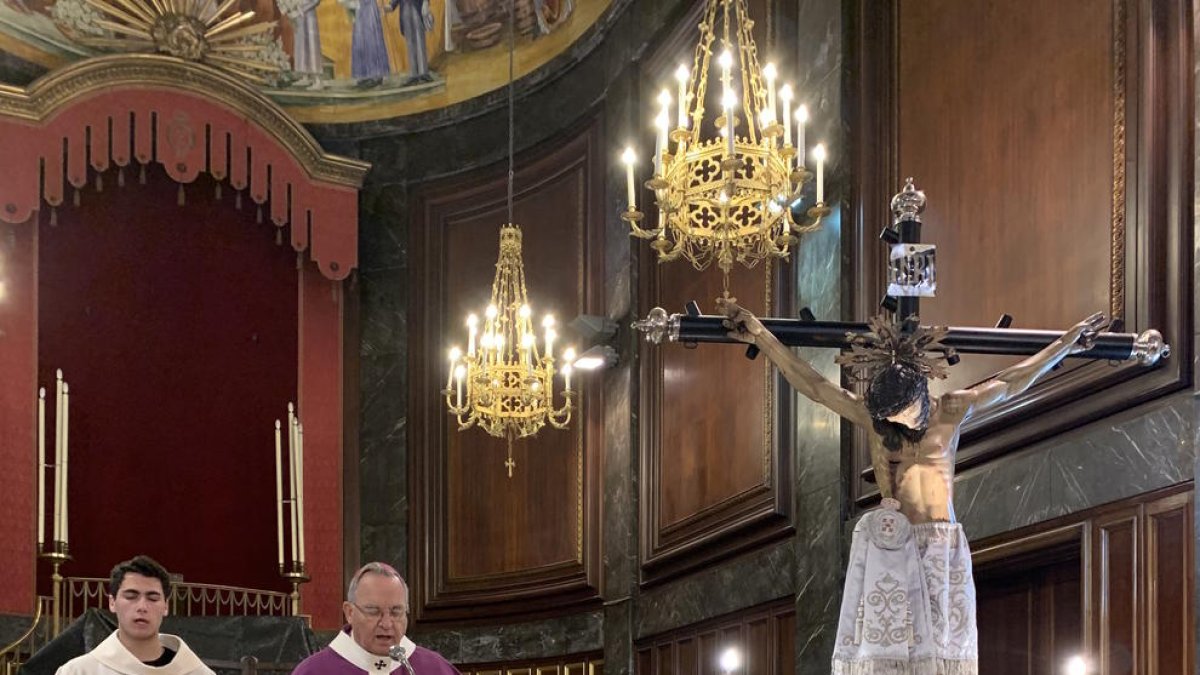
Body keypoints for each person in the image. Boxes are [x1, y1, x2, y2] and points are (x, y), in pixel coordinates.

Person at [719, 298, 1107, 675]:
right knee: (884, 654)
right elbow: (815, 385)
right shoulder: (875, 421)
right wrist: (760, 335)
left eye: (901, 413)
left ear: (920, 396)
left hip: (941, 543)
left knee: (943, 653)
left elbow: (1012, 381)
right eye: (888, 416)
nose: (896, 423)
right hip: (892, 544)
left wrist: (1065, 344)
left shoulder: (952, 410)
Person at [293, 562, 462, 675]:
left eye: (396, 612)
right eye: (373, 612)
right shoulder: (314, 671)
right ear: (349, 612)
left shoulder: (434, 669)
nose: (387, 624)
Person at [56, 555, 213, 675]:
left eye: (152, 598)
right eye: (131, 596)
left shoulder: (197, 672)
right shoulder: (79, 671)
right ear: (112, 602)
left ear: (166, 606)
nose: (142, 607)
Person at [386, 0, 434, 86]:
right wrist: (391, 6)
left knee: (419, 39)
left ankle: (423, 73)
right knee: (410, 43)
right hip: (405, 9)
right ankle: (414, 74)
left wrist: (426, 2)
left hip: (417, 7)